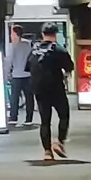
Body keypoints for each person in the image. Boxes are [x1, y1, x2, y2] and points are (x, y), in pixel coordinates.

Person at [27, 24, 74, 162]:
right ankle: (59, 142)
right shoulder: (59, 50)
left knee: (45, 121)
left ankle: (47, 152)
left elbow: (27, 67)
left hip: (40, 90)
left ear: (42, 34)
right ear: (55, 34)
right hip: (56, 89)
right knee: (64, 115)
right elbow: (69, 67)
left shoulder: (34, 50)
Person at [5, 25, 35, 126]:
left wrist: (5, 75)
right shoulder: (28, 44)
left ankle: (14, 117)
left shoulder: (12, 46)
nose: (11, 35)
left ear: (15, 34)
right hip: (28, 74)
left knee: (15, 97)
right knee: (29, 97)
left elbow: (9, 61)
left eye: (12, 33)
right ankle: (29, 118)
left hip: (17, 75)